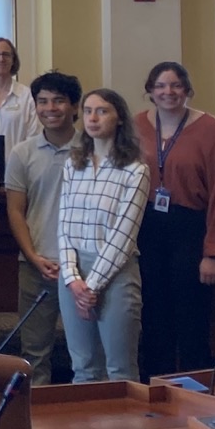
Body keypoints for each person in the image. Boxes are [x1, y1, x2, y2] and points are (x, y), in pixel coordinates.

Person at [135, 60, 215, 378]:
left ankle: (196, 392)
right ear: (150, 91)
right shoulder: (135, 125)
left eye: (176, 85)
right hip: (145, 229)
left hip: (190, 229)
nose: (168, 92)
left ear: (187, 90)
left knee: (191, 318)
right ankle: (154, 390)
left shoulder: (210, 129)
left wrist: (213, 252)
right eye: (161, 86)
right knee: (152, 315)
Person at [60, 89, 150, 382]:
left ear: (119, 118)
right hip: (74, 277)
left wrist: (92, 287)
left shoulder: (135, 170)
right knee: (84, 368)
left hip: (115, 273)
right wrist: (73, 279)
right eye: (87, 111)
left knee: (119, 370)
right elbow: (63, 226)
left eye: (102, 111)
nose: (93, 118)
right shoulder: (73, 164)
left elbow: (123, 235)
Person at [3, 70, 82, 384]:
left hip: (85, 265)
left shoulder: (94, 148)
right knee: (34, 354)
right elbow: (15, 210)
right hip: (37, 265)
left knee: (87, 353)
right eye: (43, 101)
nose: (50, 108)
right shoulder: (22, 153)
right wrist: (33, 256)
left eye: (58, 101)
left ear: (74, 106)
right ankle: (38, 425)